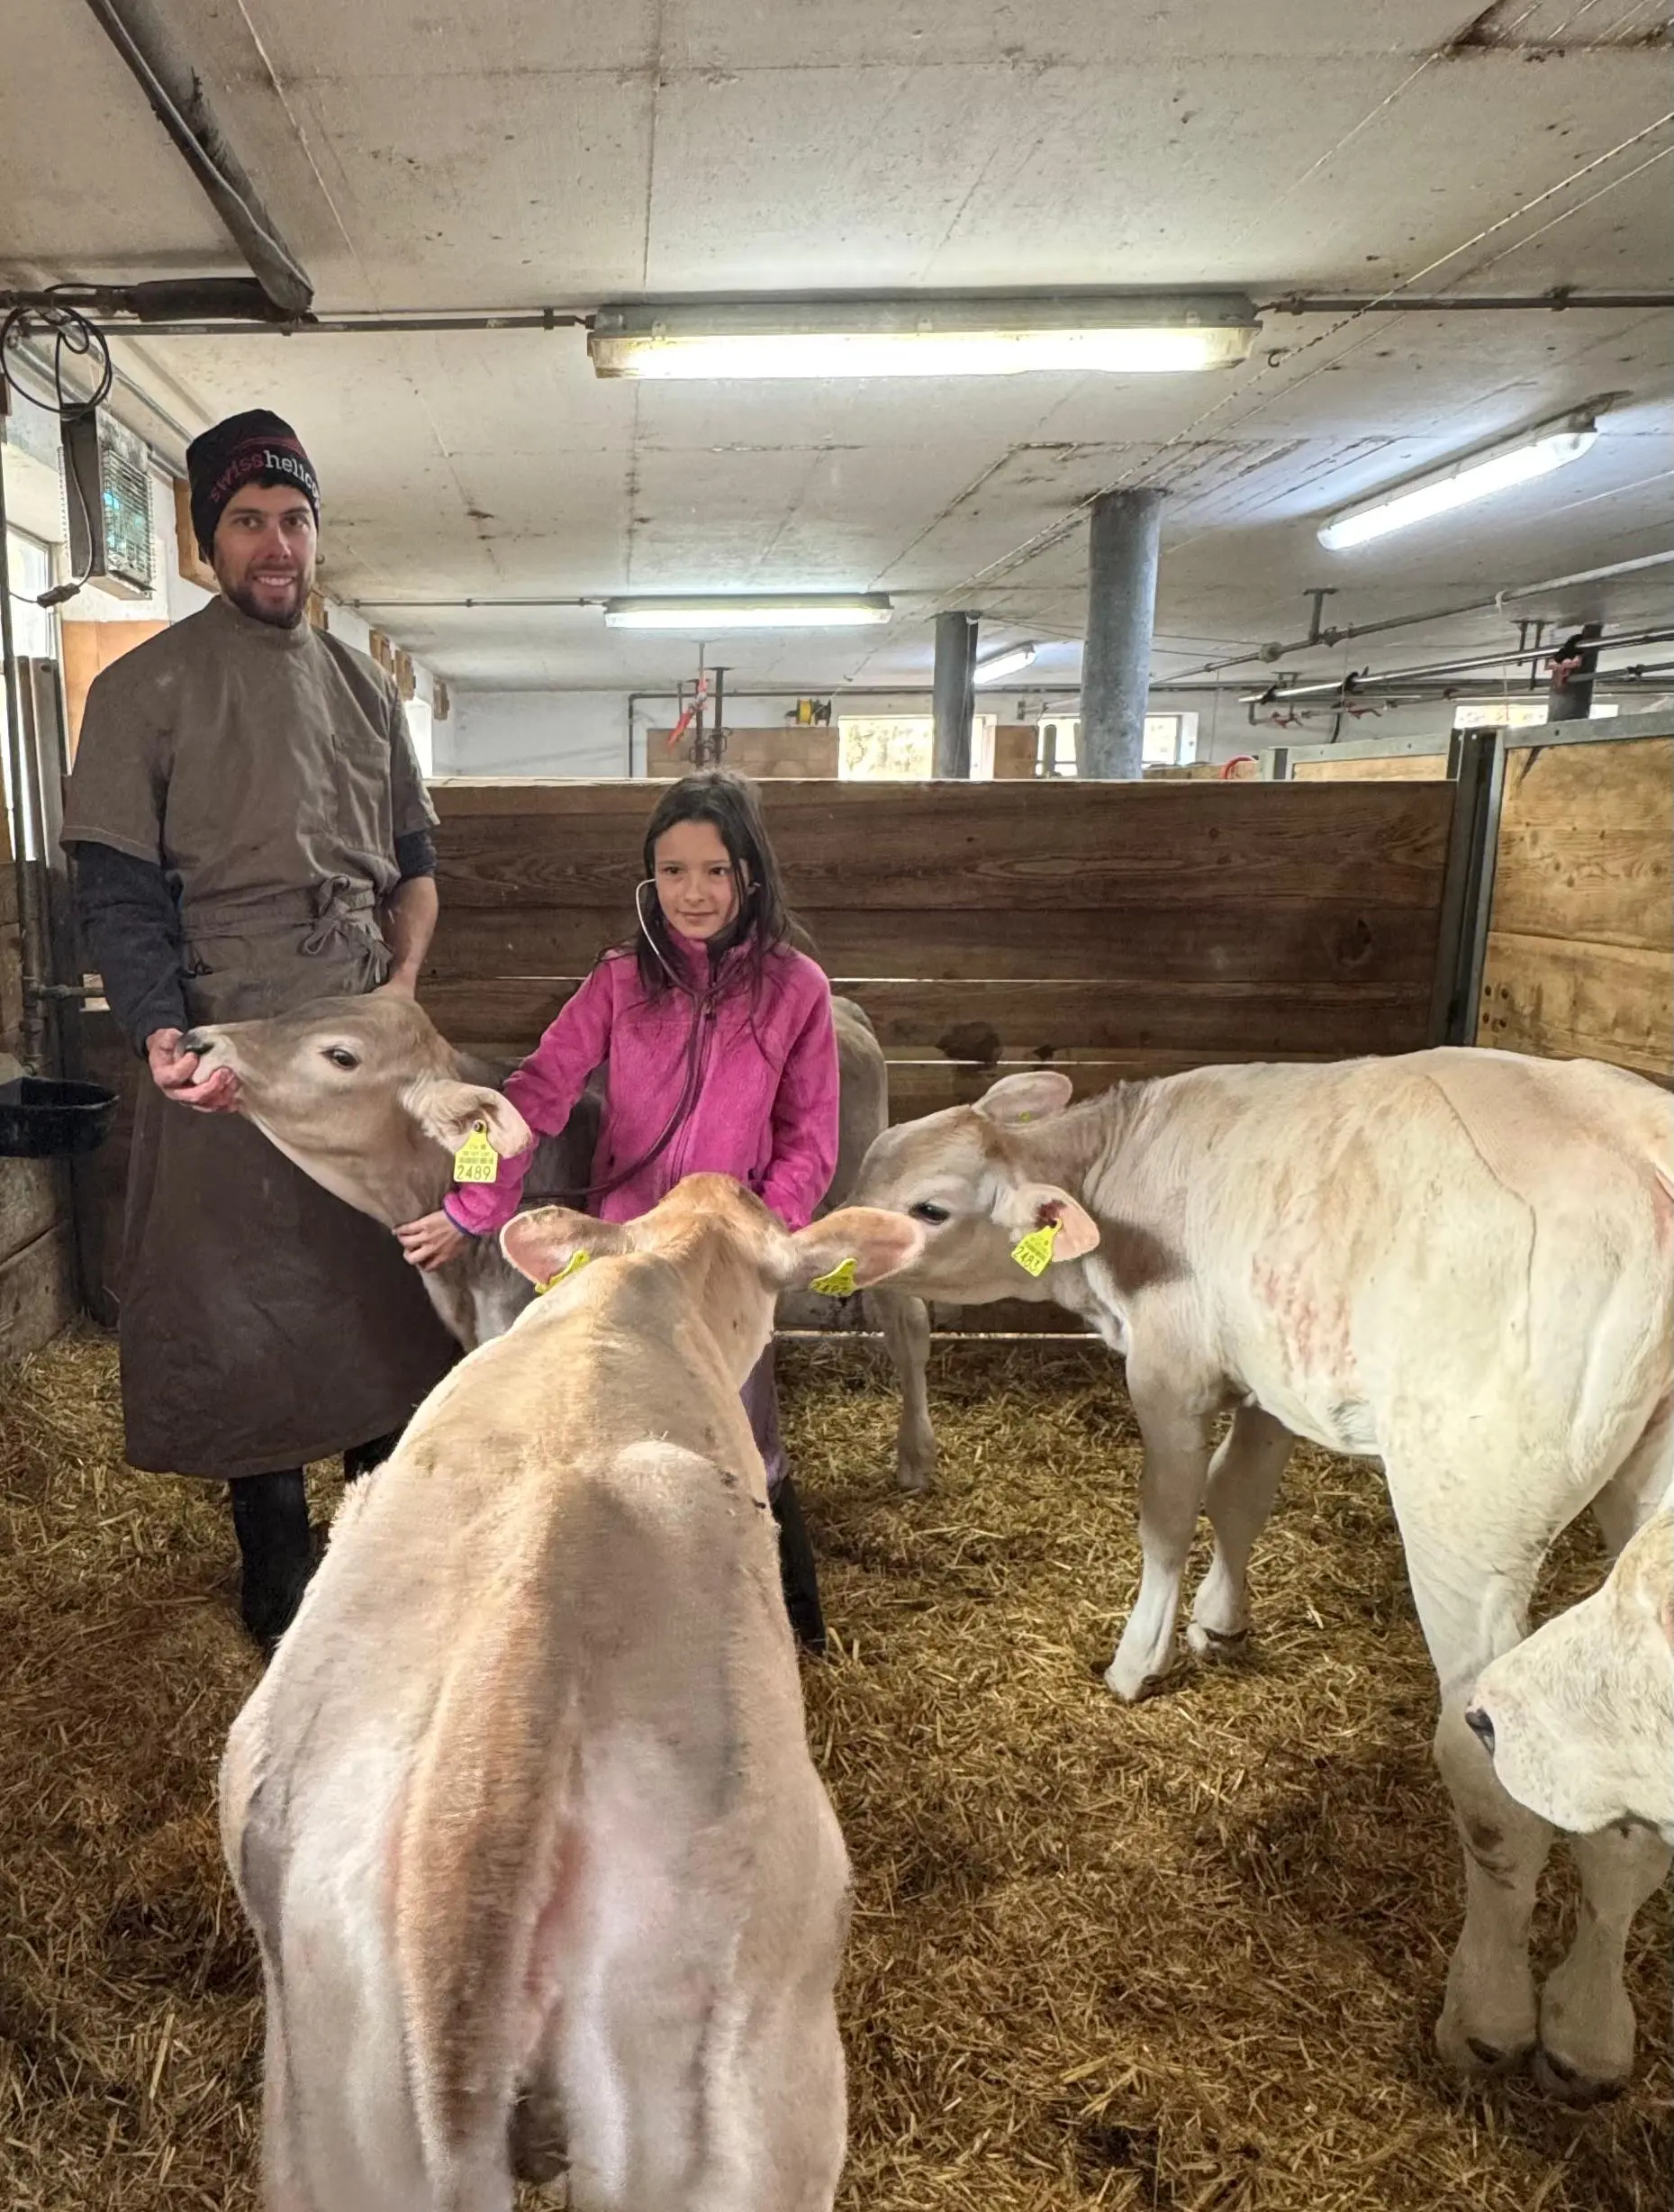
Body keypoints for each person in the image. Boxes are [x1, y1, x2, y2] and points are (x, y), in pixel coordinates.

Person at [59, 408, 458, 1650]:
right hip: (227, 1043)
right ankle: (277, 1560)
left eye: (294, 520)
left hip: (354, 1036)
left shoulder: (361, 685)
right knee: (248, 1309)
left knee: (388, 1289)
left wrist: (398, 993)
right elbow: (116, 891)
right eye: (247, 521)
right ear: (205, 542)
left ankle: (387, 1540)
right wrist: (159, 1035)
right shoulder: (143, 689)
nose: (275, 543)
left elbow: (417, 865)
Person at [396, 768, 839, 1652]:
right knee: (616, 1421)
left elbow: (809, 1139)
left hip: (721, 1260)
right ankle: (636, 1624)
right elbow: (538, 1093)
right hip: (622, 1247)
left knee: (741, 1433)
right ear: (648, 880)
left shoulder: (796, 990)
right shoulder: (617, 984)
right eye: (671, 871)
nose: (693, 893)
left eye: (714, 870)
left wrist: (760, 1233)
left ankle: (789, 1623)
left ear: (749, 874)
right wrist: (475, 1206)